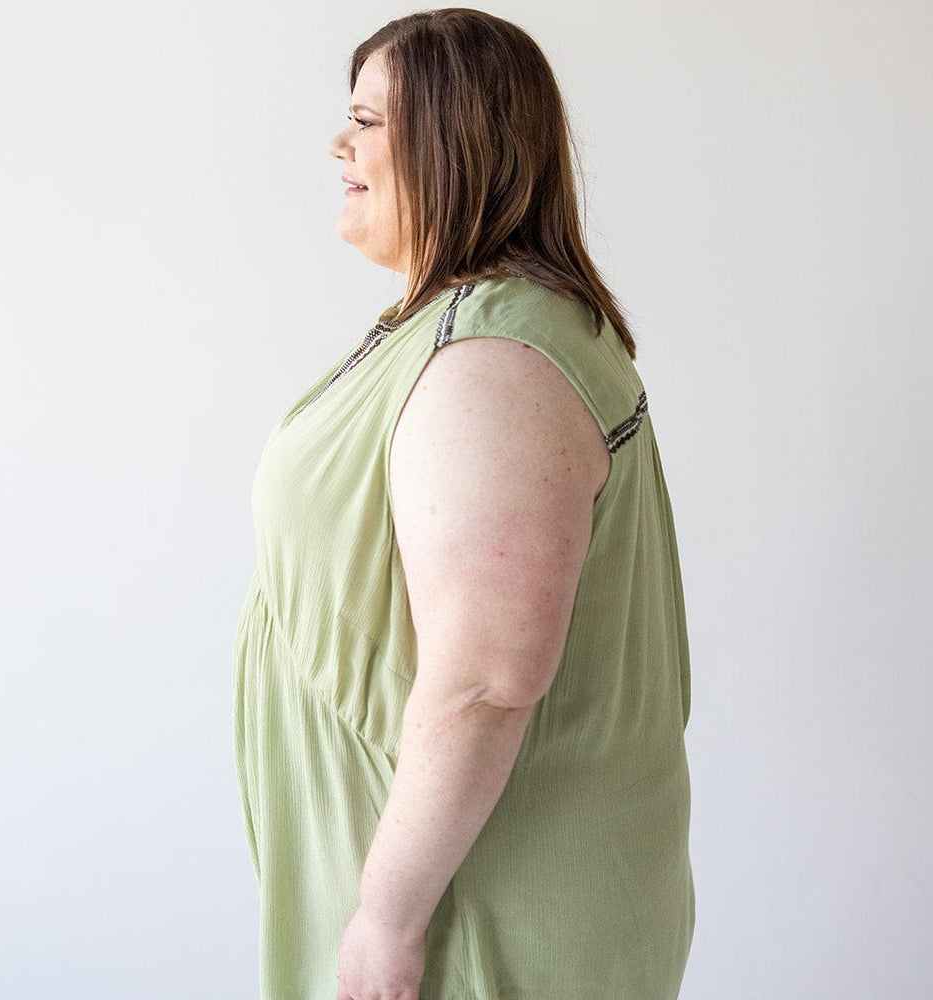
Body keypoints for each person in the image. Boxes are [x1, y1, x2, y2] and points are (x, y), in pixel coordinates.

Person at [233, 9, 694, 999]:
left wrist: (390, 916)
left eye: (364, 120)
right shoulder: (462, 327)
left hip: (470, 910)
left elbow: (487, 678)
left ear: (453, 139)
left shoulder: (493, 361)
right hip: (439, 885)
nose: (336, 144)